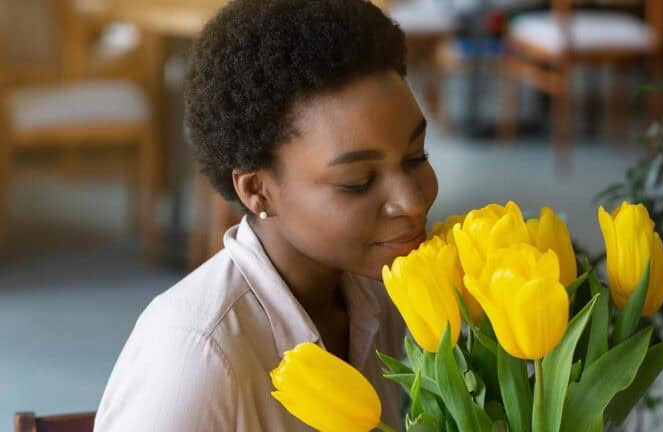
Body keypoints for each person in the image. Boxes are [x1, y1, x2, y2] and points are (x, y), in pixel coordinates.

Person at [93, 0, 438, 430]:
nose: (411, 201)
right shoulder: (196, 357)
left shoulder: (393, 292)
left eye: (415, 156)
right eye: (358, 181)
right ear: (258, 191)